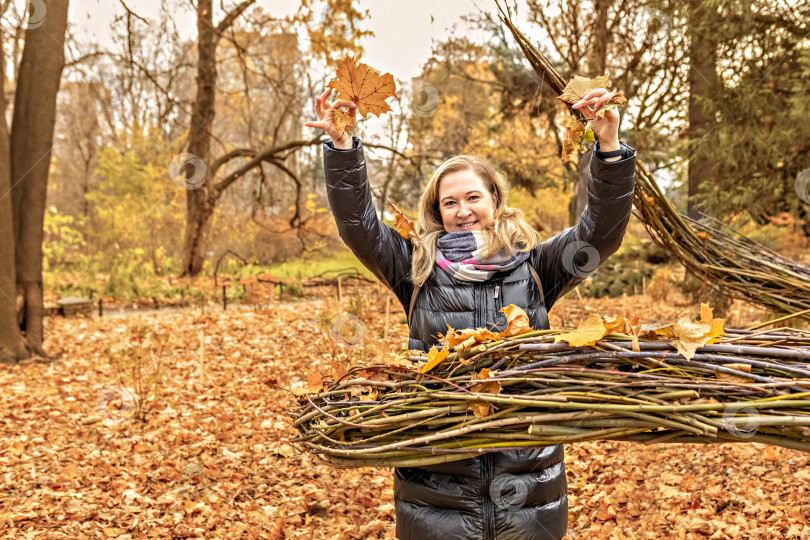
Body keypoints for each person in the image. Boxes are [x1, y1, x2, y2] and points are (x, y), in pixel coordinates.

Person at [305, 86, 636, 540]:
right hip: (436, 486)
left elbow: (599, 234)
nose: (463, 211)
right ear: (438, 211)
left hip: (528, 479)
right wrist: (343, 149)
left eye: (473, 197)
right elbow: (360, 227)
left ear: (495, 199)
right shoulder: (416, 267)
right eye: (450, 202)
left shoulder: (534, 264)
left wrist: (609, 148)